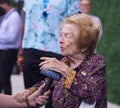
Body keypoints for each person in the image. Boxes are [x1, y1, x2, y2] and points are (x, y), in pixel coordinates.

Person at [15, 14, 107, 108]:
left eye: (67, 36)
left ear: (84, 45)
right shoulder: (65, 61)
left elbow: (91, 95)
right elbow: (48, 82)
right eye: (61, 35)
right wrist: (30, 91)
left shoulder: (96, 63)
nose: (60, 40)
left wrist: (66, 71)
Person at [0, 0, 22, 95]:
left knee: (4, 79)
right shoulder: (6, 17)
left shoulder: (14, 17)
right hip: (3, 51)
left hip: (8, 52)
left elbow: (12, 37)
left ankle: (8, 101)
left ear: (4, 4)